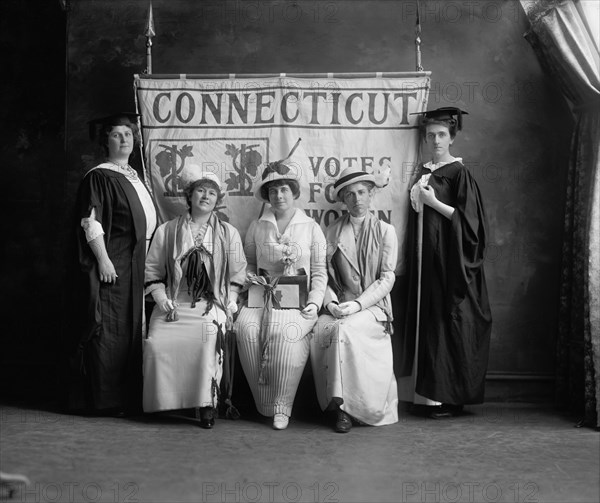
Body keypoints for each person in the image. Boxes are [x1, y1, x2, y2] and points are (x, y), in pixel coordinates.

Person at [398, 107, 492, 418]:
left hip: (449, 265)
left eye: (441, 135)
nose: (436, 140)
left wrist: (434, 203)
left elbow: (470, 227)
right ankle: (423, 396)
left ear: (452, 136)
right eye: (430, 135)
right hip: (425, 262)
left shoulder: (458, 173)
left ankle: (446, 398)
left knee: (446, 325)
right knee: (427, 325)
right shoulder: (424, 170)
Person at [67, 112, 157, 415]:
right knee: (110, 331)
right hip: (114, 261)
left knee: (132, 330)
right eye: (117, 135)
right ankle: (106, 401)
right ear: (106, 140)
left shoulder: (133, 175)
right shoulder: (100, 175)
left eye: (128, 134)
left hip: (137, 261)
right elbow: (90, 222)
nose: (123, 139)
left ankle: (129, 397)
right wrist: (103, 260)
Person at [142, 168, 246, 428]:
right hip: (175, 301)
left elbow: (237, 273)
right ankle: (166, 403)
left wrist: (231, 298)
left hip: (211, 302)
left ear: (217, 199)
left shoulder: (228, 233)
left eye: (212, 192)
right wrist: (161, 298)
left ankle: (206, 404)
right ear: (189, 195)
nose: (206, 196)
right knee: (156, 344)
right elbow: (152, 270)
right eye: (200, 190)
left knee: (209, 337)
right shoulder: (167, 231)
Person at [235, 154, 327, 430]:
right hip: (262, 295)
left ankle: (281, 406)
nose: (278, 195)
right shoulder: (257, 226)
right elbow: (249, 263)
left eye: (284, 189)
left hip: (297, 301)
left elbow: (320, 271)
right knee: (245, 329)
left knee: (284, 333)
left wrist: (314, 302)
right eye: (272, 190)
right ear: (266, 195)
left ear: (294, 192)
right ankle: (263, 402)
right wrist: (248, 282)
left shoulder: (311, 228)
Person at [310, 167, 399, 433]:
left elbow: (387, 278)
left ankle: (346, 410)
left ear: (371, 194)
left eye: (361, 192)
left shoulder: (385, 231)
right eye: (349, 195)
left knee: (345, 330)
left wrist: (359, 304)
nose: (356, 199)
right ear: (343, 200)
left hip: (372, 308)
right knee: (322, 328)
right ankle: (334, 404)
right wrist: (331, 303)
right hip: (341, 304)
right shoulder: (332, 231)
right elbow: (322, 274)